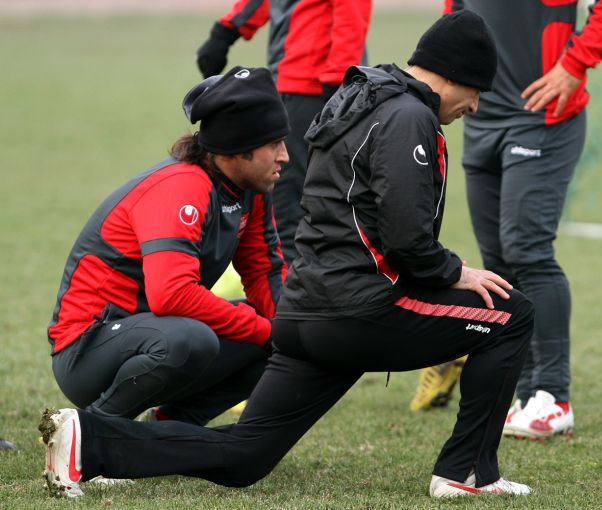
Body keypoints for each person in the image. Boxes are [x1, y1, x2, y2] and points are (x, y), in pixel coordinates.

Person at [39, 12, 537, 500]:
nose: (475, 106)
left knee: (246, 457)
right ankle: (468, 473)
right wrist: (453, 271)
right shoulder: (408, 115)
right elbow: (406, 237)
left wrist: (276, 325)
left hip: (308, 310)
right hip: (351, 310)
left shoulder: (357, 98)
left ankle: (91, 439)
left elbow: (275, 258)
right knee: (512, 315)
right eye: (476, 90)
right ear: (453, 74)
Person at [410, 0, 602, 440]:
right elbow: (457, 15)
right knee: (497, 257)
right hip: (480, 119)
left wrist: (576, 62)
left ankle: (553, 396)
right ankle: (527, 391)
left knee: (527, 250)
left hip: (542, 116)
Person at [47, 67, 289, 428]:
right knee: (195, 339)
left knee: (278, 331)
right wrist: (268, 331)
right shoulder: (182, 186)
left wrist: (290, 331)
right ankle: (90, 431)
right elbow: (171, 295)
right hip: (86, 349)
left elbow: (263, 270)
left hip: (156, 332)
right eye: (274, 145)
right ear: (238, 149)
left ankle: (168, 428)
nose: (285, 156)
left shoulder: (250, 190)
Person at [196, 0, 372, 263]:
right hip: (291, 87)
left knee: (294, 209)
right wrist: (227, 31)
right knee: (288, 205)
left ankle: (292, 284)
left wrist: (338, 85)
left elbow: (351, 12)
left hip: (315, 90)